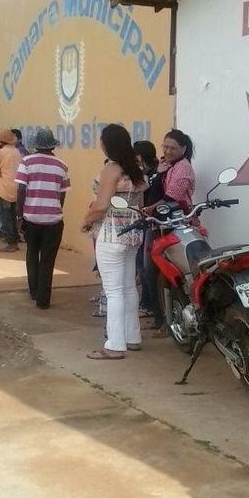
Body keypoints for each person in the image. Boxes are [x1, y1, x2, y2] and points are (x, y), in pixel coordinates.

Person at [83, 124, 147, 359]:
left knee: (113, 291)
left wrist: (86, 221)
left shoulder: (112, 168)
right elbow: (138, 202)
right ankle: (132, 337)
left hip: (110, 233)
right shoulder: (136, 168)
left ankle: (114, 345)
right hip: (132, 232)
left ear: (107, 144)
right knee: (129, 286)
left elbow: (101, 205)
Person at [144, 129, 197, 334]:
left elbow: (172, 197)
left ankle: (170, 320)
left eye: (172, 148)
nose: (167, 150)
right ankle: (163, 318)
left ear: (183, 149)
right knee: (153, 272)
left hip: (176, 225)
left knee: (170, 274)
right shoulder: (166, 165)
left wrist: (150, 209)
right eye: (165, 146)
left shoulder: (183, 168)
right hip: (158, 224)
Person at [15, 127, 70, 309]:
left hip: (31, 218)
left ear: (36, 145)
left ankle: (33, 291)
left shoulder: (26, 162)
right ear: (52, 145)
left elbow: (21, 190)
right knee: (48, 259)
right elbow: (62, 195)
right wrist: (55, 208)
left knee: (32, 253)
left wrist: (19, 215)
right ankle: (43, 300)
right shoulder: (62, 166)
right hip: (53, 220)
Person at [133, 140, 159, 317]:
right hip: (146, 222)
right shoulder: (149, 172)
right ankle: (147, 302)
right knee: (142, 265)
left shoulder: (154, 174)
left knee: (146, 266)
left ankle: (150, 305)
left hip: (152, 223)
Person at [0, 128, 22, 252]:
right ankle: (15, 240)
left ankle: (10, 242)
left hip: (3, 189)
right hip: (15, 188)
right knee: (12, 216)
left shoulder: (1, 153)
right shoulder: (17, 152)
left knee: (4, 217)